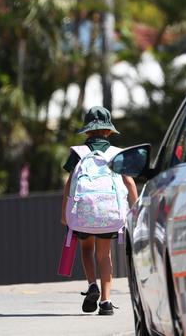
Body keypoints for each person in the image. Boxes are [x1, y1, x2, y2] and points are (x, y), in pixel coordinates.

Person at [61, 106, 138, 315]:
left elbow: (69, 184)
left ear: (87, 131)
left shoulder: (78, 153)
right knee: (105, 256)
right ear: (108, 132)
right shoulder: (116, 154)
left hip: (84, 213)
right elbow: (129, 183)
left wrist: (64, 212)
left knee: (87, 250)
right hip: (108, 214)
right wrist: (137, 208)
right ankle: (105, 301)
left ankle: (91, 284)